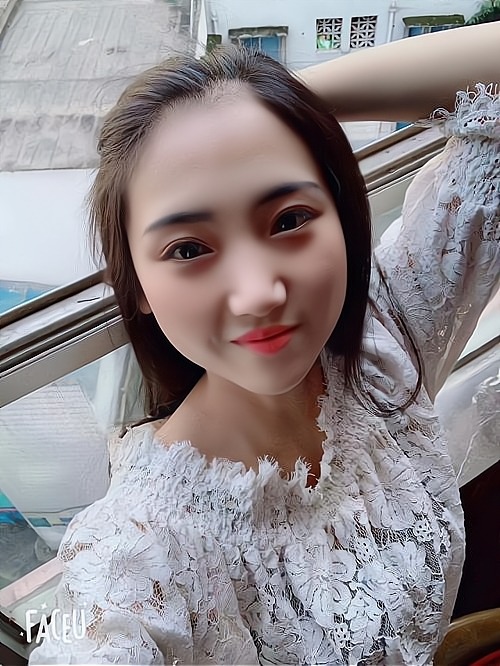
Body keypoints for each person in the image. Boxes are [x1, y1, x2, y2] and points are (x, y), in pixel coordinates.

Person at [29, 23, 499, 665]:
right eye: (188, 249)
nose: (258, 292)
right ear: (135, 285)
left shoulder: (381, 340)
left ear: (343, 219)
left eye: (289, 220)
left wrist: (264, 102)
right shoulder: (139, 551)